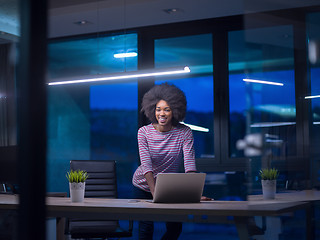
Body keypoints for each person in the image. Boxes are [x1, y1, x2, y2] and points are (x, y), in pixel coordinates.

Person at [132, 83, 198, 240]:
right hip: (143, 185)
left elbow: (189, 162)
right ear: (152, 110)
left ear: (175, 110)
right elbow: (146, 164)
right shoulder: (143, 132)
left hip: (169, 186)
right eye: (158, 109)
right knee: (146, 229)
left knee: (175, 229)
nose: (162, 113)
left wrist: (193, 193)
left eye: (167, 109)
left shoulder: (184, 132)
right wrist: (154, 191)